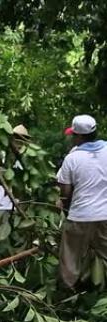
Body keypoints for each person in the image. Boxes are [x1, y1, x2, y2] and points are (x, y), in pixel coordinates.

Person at [56, 114, 107, 289]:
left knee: (70, 257)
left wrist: (65, 206)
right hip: (105, 215)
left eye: (73, 135)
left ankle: (67, 293)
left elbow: (65, 191)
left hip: (80, 216)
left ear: (78, 136)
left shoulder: (72, 158)